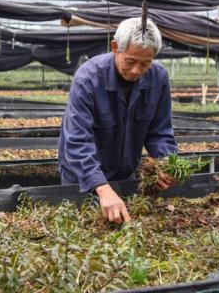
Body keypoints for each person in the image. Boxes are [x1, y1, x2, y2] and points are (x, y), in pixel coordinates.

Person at [58, 17, 178, 224]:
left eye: (145, 63)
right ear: (115, 48)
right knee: (82, 227)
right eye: (130, 61)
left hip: (125, 170)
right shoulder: (89, 78)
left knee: (124, 227)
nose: (136, 71)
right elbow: (77, 140)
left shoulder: (158, 78)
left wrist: (166, 165)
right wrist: (102, 187)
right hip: (82, 175)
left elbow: (160, 131)